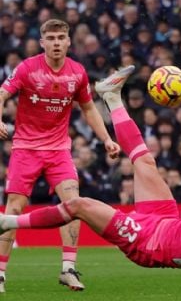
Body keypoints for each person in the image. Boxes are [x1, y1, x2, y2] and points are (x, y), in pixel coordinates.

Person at [0, 65, 181, 277]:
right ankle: (112, 96)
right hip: (166, 223)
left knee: (79, 205)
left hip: (146, 242)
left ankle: (7, 222)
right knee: (144, 161)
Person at [0, 19, 121, 292]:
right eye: (51, 38)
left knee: (73, 203)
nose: (56, 43)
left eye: (60, 38)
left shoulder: (77, 73)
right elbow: (1, 95)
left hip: (58, 151)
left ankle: (68, 269)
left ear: (68, 42)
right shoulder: (28, 68)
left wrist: (106, 139)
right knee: (14, 209)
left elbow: (89, 109)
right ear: (42, 42)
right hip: (26, 149)